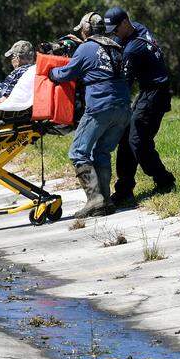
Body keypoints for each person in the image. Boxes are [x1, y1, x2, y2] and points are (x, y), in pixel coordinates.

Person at [48, 12, 130, 219]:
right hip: (123, 108)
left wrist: (50, 73)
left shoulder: (85, 48)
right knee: (102, 151)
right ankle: (106, 200)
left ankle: (94, 200)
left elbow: (65, 74)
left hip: (100, 107)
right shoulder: (117, 47)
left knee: (78, 152)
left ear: (86, 30)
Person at [106, 7, 175, 203]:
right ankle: (124, 189)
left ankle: (164, 180)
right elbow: (117, 42)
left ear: (125, 23)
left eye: (115, 30)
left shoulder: (132, 49)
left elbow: (125, 85)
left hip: (155, 94)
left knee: (138, 141)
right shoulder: (137, 27)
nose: (114, 34)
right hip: (149, 91)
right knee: (127, 138)